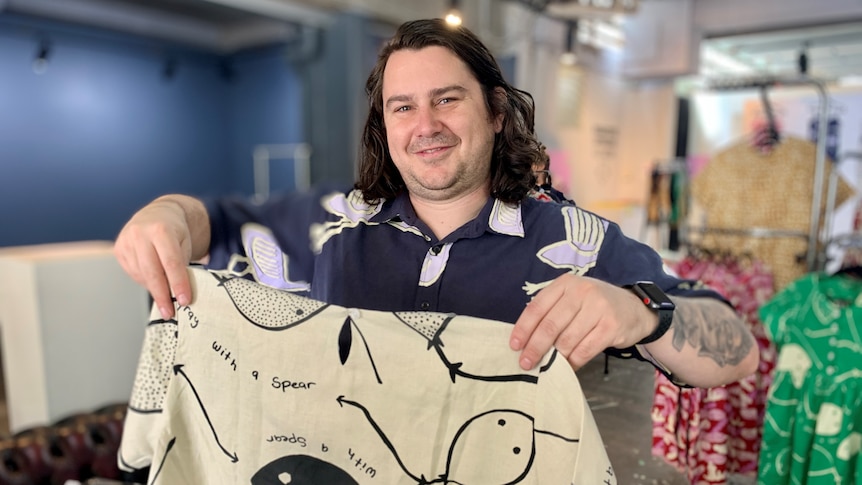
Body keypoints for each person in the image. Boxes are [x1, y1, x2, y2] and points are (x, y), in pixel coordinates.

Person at [114, 18, 757, 389]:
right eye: (403, 106)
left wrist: (641, 311)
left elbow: (736, 349)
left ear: (496, 112)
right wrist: (165, 215)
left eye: (447, 99)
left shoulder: (575, 238)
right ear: (385, 125)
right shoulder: (327, 223)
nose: (425, 124)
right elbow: (216, 222)